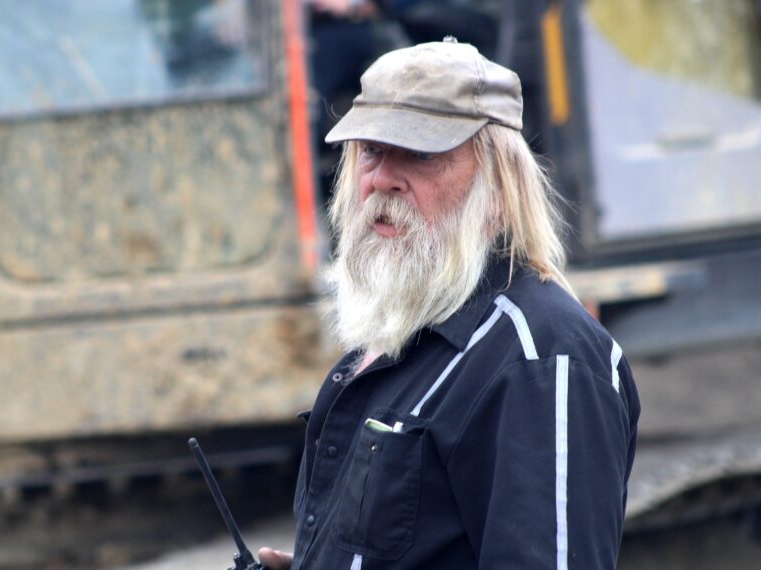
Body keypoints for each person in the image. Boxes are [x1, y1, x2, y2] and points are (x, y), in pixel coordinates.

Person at [260, 37, 640, 570]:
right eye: (371, 150)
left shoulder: (541, 359)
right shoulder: (402, 336)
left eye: (421, 154)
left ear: (500, 181)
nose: (383, 179)